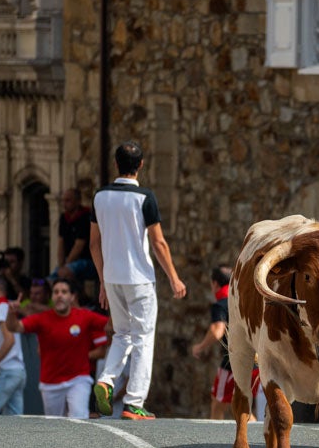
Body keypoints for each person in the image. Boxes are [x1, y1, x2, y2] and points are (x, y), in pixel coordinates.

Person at [90, 141, 187, 421]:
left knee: (122, 334)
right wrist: (174, 278)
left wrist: (101, 281)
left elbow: (94, 244)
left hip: (112, 277)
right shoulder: (145, 197)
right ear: (141, 165)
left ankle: (106, 380)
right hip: (140, 279)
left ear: (115, 163)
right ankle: (134, 402)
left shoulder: (99, 196)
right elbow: (158, 243)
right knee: (143, 337)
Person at [7, 278, 108, 419]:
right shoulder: (41, 319)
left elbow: (111, 326)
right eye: (56, 292)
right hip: (51, 383)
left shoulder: (85, 316)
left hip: (79, 379)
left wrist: (118, 303)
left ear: (72, 296)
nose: (60, 295)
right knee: (56, 425)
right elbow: (14, 327)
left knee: (80, 418)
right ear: (52, 297)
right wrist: (11, 313)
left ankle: (82, 442)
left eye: (64, 292)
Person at [191, 266, 237, 420]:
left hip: (232, 364)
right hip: (255, 363)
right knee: (243, 408)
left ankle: (213, 441)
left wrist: (200, 347)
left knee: (217, 404)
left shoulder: (221, 304)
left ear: (215, 284)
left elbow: (217, 330)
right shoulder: (240, 301)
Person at [0, 275, 26, 416]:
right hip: (17, 370)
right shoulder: (3, 307)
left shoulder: (1, 307)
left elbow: (9, 339)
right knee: (14, 421)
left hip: (7, 371)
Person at [52, 185, 98, 286]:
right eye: (63, 201)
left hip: (87, 260)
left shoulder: (85, 217)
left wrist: (66, 265)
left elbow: (79, 246)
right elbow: (61, 243)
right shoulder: (64, 218)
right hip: (70, 262)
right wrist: (61, 265)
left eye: (68, 200)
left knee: (67, 273)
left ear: (78, 201)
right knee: (52, 277)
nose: (64, 204)